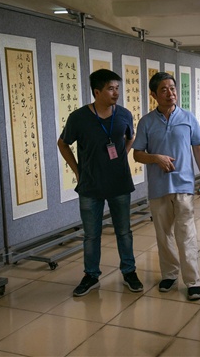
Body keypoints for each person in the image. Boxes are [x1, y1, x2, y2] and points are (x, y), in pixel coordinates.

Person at [58, 69, 143, 297]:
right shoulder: (78, 117)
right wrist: (78, 171)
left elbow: (130, 137)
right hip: (90, 184)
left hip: (119, 182)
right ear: (97, 92)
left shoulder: (124, 114)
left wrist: (121, 156)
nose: (116, 93)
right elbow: (63, 143)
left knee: (123, 231)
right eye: (110, 89)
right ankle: (91, 275)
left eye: (117, 88)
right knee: (91, 234)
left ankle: (129, 271)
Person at [133, 72, 200, 301]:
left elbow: (199, 149)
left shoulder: (188, 118)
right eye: (164, 89)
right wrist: (156, 158)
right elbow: (137, 154)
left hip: (184, 186)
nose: (170, 93)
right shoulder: (147, 122)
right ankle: (169, 274)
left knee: (186, 234)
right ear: (154, 95)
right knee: (163, 235)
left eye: (173, 88)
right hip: (158, 188)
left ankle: (193, 281)